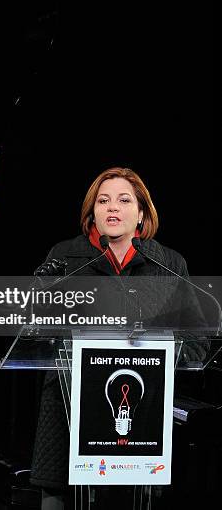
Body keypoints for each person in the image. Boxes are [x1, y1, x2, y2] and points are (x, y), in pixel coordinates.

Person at [29, 167, 207, 510]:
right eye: (103, 200)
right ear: (91, 212)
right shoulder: (65, 259)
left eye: (124, 200)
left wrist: (161, 348)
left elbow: (198, 339)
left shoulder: (167, 264)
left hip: (142, 416)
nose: (113, 207)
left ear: (141, 212)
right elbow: (36, 330)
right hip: (68, 413)